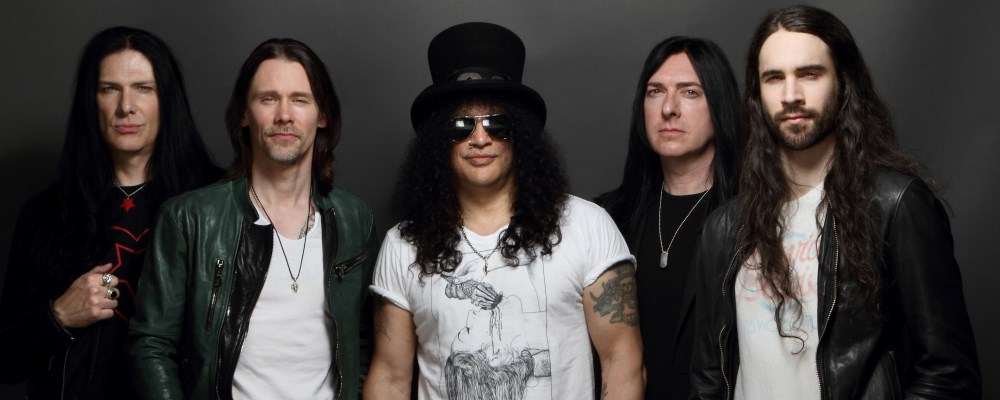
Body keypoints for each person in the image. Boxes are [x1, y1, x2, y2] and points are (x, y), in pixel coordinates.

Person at [690, 5, 981, 399]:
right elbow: (709, 380)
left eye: (809, 74)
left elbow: (950, 374)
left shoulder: (895, 205)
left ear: (844, 82)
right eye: (774, 78)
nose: (791, 96)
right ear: (757, 95)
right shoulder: (725, 227)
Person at [364, 22, 644, 399]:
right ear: (438, 140)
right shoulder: (403, 245)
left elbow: (622, 361)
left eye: (498, 124)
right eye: (461, 125)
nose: (480, 138)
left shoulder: (587, 225)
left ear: (521, 134)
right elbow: (389, 378)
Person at [128, 38, 374, 399]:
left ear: (322, 116)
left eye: (300, 100)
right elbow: (151, 343)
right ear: (244, 114)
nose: (284, 115)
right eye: (268, 99)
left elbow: (362, 340)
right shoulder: (189, 218)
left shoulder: (355, 218)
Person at [0, 26, 219, 399]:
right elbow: (6, 362)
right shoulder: (46, 214)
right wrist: (58, 316)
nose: (126, 106)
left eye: (143, 88)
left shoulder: (215, 202)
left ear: (167, 100)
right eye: (109, 89)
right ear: (91, 101)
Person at [596, 36, 739, 400]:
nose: (669, 108)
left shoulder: (751, 219)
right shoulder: (607, 218)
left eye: (690, 92)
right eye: (655, 91)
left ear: (719, 104)